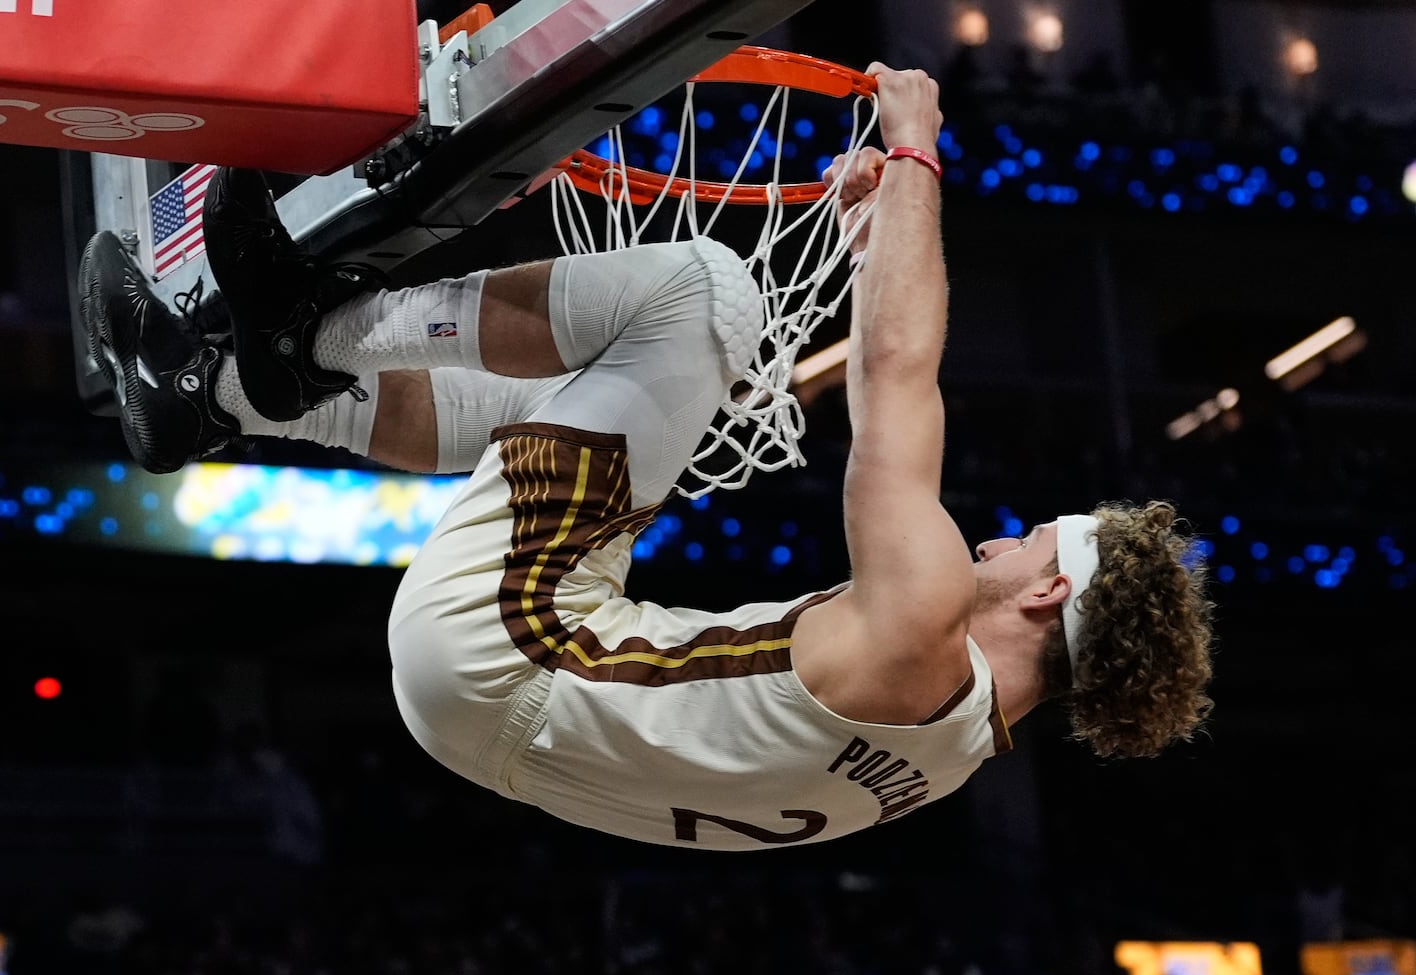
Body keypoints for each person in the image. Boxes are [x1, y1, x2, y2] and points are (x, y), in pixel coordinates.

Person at [80, 66, 1217, 851]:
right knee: (577, 407)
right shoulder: (949, 761)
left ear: (1054, 587)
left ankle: (306, 334)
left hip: (512, 651)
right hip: (494, 725)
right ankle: (215, 400)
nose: (995, 538)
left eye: (1026, 541)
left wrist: (915, 158)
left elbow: (892, 378)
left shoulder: (925, 626)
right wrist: (873, 245)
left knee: (702, 298)